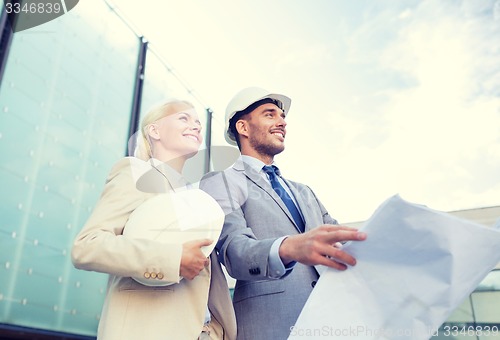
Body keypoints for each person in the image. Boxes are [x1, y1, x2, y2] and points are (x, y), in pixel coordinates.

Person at [200, 87, 367, 340]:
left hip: (330, 321)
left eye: (282, 116)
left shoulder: (305, 192)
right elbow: (235, 252)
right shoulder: (220, 182)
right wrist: (289, 248)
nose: (282, 122)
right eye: (270, 115)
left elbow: (343, 241)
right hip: (269, 325)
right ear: (243, 128)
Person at [71, 100, 237, 340]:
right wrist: (173, 259)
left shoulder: (198, 199)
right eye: (184, 119)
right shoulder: (135, 173)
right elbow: (87, 246)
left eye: (198, 123)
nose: (196, 126)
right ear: (155, 131)